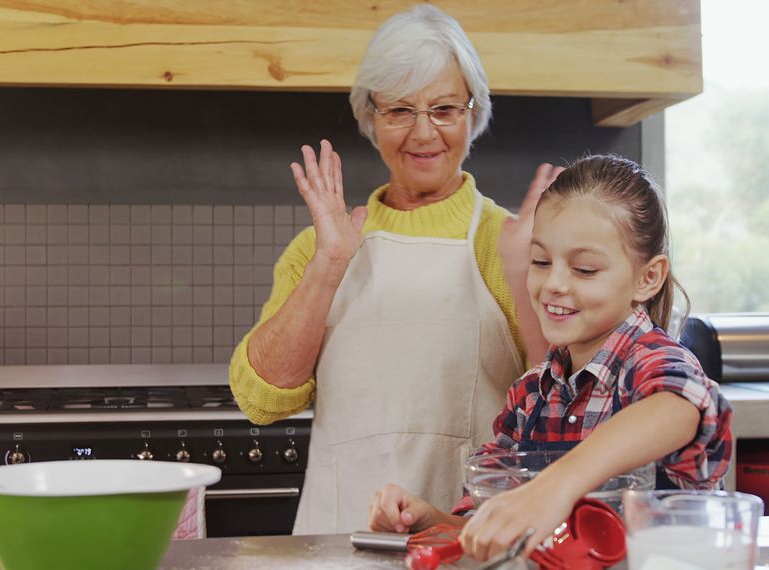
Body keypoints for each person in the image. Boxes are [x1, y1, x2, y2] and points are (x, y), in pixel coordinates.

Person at [228, 4, 560, 534]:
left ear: (473, 114)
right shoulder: (321, 247)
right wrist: (329, 264)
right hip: (334, 541)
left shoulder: (510, 243)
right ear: (370, 117)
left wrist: (525, 272)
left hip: (465, 542)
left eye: (444, 108)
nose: (424, 133)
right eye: (400, 110)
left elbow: (556, 407)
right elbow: (260, 398)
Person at [366, 154, 734, 561]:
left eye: (585, 269)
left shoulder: (649, 361)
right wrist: (428, 521)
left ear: (648, 278)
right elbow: (505, 529)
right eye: (540, 262)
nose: (553, 284)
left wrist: (555, 486)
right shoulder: (530, 395)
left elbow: (679, 406)